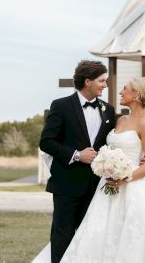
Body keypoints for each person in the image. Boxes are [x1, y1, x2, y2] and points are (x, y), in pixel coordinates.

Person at [32, 76, 145, 263]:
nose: (120, 92)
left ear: (136, 94)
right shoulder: (120, 119)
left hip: (131, 190)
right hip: (105, 188)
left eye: (125, 88)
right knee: (98, 234)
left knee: (127, 237)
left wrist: (125, 178)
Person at [38, 60, 116, 263]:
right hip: (66, 185)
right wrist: (77, 155)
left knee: (90, 239)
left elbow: (114, 140)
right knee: (62, 238)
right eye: (102, 81)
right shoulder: (61, 106)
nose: (105, 85)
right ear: (88, 81)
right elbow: (46, 142)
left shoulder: (108, 110)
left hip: (95, 187)